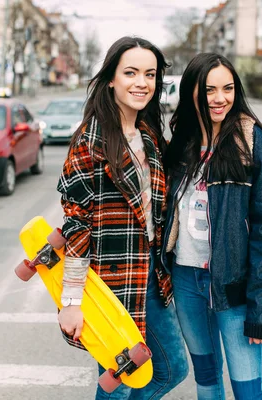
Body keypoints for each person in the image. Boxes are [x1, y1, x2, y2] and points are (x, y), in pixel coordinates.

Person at [56, 36, 189, 400]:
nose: (141, 83)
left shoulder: (148, 135)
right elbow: (77, 224)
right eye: (130, 72)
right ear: (111, 78)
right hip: (111, 283)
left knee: (171, 369)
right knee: (118, 382)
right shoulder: (90, 140)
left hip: (151, 277)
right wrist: (70, 303)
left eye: (150, 74)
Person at [162, 53, 262, 399]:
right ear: (192, 93)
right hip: (186, 282)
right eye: (209, 90)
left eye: (228, 88)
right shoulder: (182, 146)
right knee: (206, 380)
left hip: (233, 286)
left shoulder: (252, 142)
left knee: (248, 391)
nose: (220, 98)